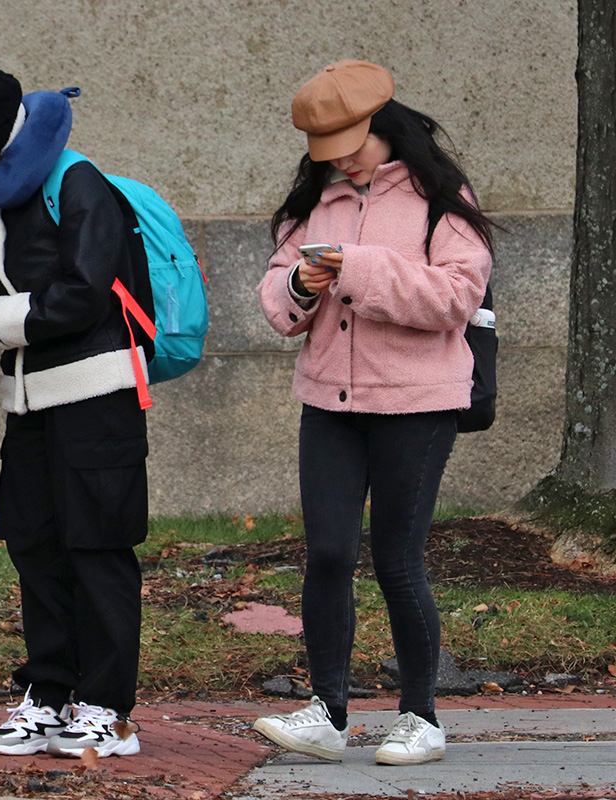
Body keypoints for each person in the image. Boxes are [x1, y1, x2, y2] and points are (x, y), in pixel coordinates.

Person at [252, 60, 496, 766]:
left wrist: (357, 269)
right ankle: (326, 713)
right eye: (326, 153)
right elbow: (277, 299)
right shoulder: (316, 202)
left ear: (382, 125)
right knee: (328, 553)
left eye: (350, 146)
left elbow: (456, 296)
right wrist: (300, 283)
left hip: (416, 405)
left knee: (397, 559)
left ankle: (421, 717)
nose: (341, 163)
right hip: (328, 403)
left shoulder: (440, 197)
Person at [0, 62, 152, 759]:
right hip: (30, 403)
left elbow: (83, 293)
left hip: (97, 399)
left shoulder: (77, 182)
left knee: (98, 550)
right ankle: (49, 696)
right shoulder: (0, 190)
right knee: (35, 548)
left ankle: (108, 710)